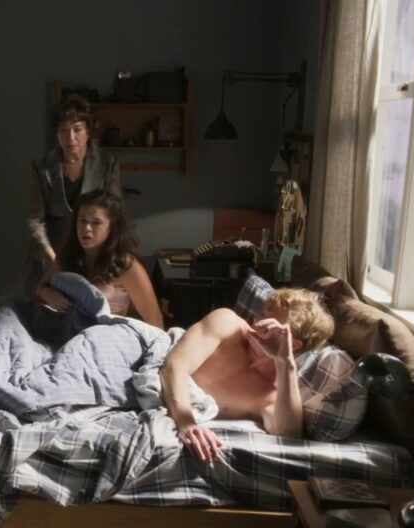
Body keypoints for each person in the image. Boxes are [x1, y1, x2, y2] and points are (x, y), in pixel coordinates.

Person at [160, 288, 335, 461]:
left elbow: (289, 437)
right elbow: (174, 366)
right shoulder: (227, 324)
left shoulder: (271, 395)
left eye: (268, 322)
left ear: (293, 344)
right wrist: (186, 423)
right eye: (262, 313)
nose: (256, 321)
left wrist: (285, 362)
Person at [27, 95, 122, 294]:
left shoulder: (107, 165)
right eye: (63, 130)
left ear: (88, 131)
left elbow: (115, 215)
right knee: (45, 305)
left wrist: (102, 257)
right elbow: (36, 220)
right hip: (51, 251)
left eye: (77, 129)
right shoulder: (42, 167)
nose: (70, 137)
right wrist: (55, 261)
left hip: (94, 253)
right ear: (57, 134)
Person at [36, 191, 164, 328]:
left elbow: (156, 323)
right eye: (82, 220)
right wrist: (48, 294)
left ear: (112, 227)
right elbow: (40, 288)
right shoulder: (69, 255)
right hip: (65, 331)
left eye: (96, 223)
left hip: (106, 336)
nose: (86, 228)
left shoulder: (126, 266)